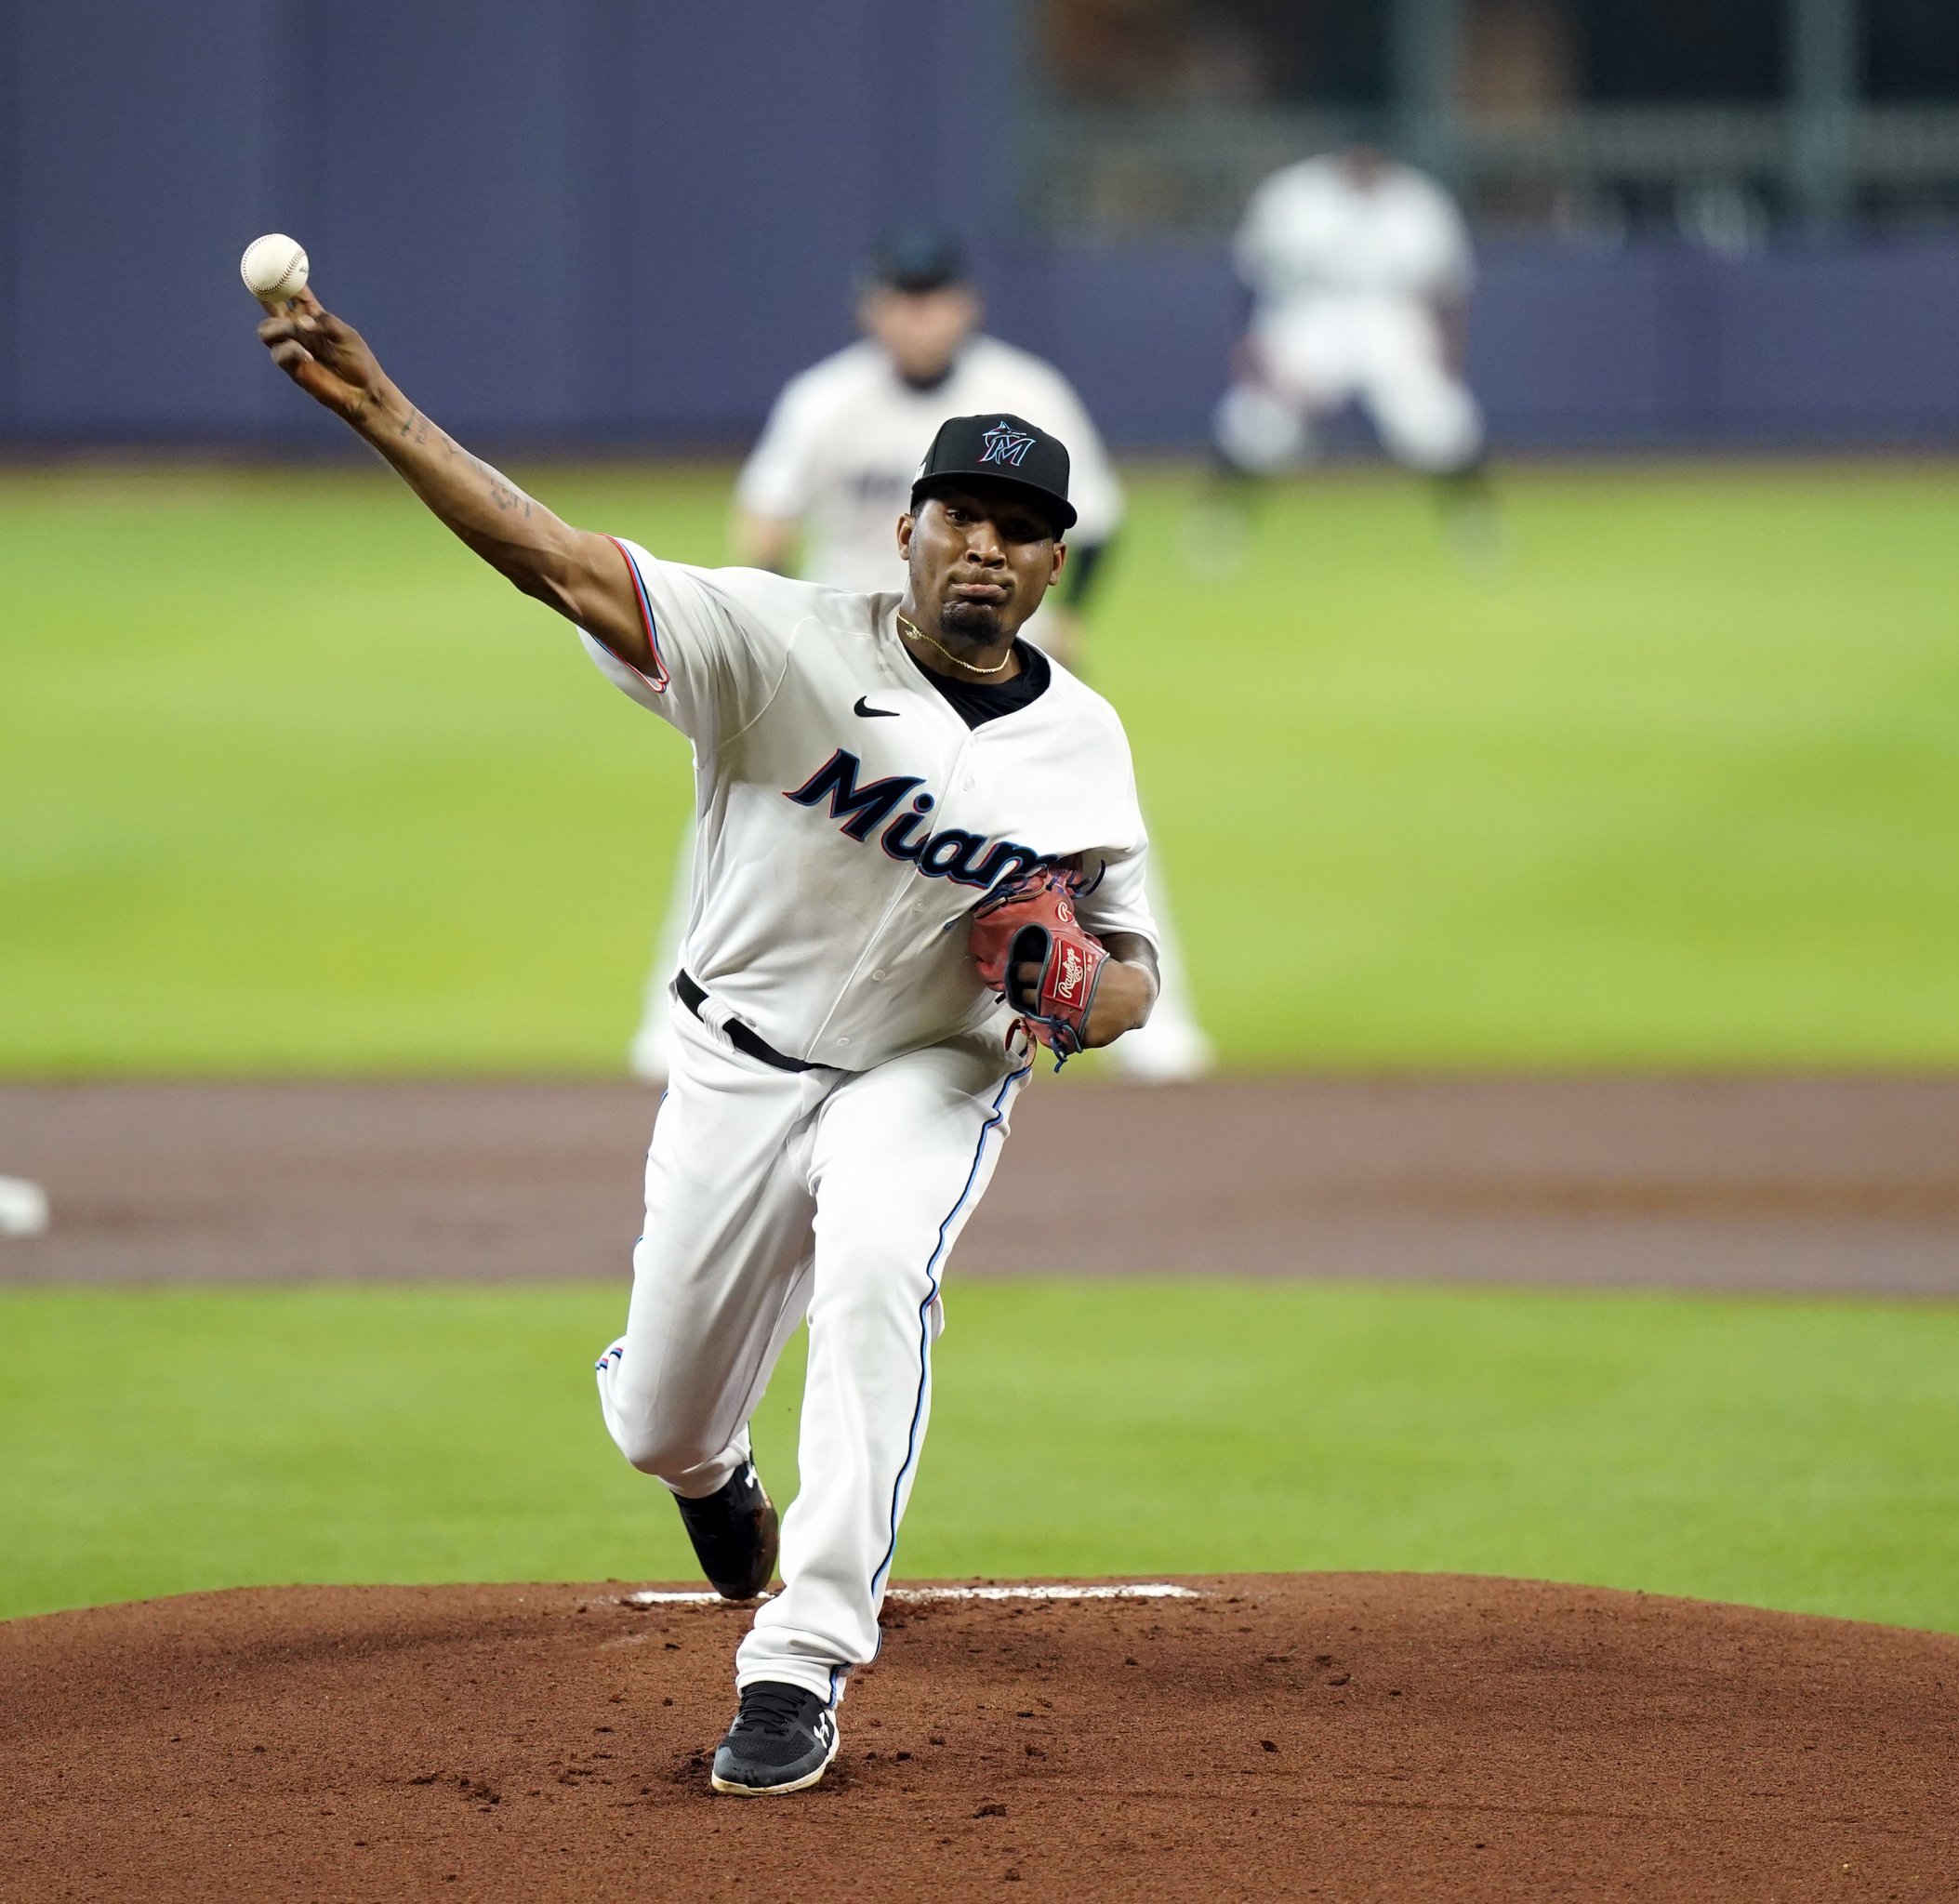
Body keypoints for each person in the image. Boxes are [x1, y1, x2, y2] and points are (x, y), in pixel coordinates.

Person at [258, 284, 1168, 1797]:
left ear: (1056, 559)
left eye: (1021, 525)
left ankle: (800, 1656)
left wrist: (1081, 992)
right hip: (737, 1061)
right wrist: (382, 414)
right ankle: (707, 1466)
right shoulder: (774, 643)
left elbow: (1127, 963)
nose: (987, 546)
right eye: (962, 514)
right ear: (907, 528)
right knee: (659, 1415)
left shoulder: (1086, 741)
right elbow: (552, 559)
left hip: (928, 1069)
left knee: (883, 1264)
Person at [628, 229, 1214, 1083]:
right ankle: (666, 1013)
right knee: (739, 809)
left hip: (992, 649)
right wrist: (776, 638)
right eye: (900, 299)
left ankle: (1155, 1017)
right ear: (872, 308)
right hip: (853, 650)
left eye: (931, 298)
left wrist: (1075, 616)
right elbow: (764, 524)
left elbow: (1101, 515)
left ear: (963, 306)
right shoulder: (824, 401)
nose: (916, 317)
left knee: (1096, 825)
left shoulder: (1023, 391)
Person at [1201, 144, 1498, 559]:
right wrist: (1250, 349)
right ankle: (1220, 524)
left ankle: (1475, 523)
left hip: (1391, 317)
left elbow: (1448, 291)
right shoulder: (1292, 194)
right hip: (1310, 315)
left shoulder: (1420, 199)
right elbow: (1251, 279)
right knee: (1262, 421)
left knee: (1435, 420)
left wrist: (1450, 359)